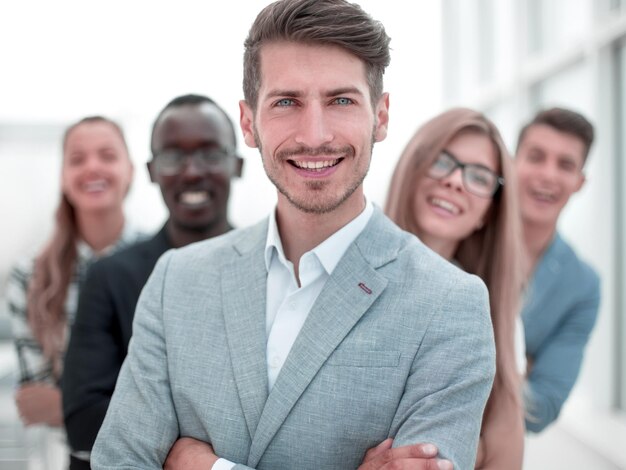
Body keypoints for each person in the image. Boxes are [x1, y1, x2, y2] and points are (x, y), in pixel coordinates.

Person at [92, 1, 496, 469]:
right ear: (248, 123)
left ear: (380, 116)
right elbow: (118, 462)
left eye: (341, 100)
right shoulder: (176, 281)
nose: (315, 134)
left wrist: (206, 466)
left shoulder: (450, 305)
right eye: (287, 102)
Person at [61, 94, 243, 470]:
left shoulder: (274, 270)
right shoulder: (110, 278)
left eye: (210, 153)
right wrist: (194, 456)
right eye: (174, 156)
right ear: (151, 170)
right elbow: (84, 420)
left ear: (237, 165)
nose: (192, 171)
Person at [385, 107, 525, 469]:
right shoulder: (344, 271)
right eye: (442, 161)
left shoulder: (495, 317)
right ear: (413, 167)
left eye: (479, 176)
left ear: (488, 212)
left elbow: (505, 456)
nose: (456, 181)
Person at [6, 116, 140, 427]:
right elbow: (35, 404)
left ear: (130, 171)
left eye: (107, 156)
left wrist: (69, 406)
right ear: (63, 178)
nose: (92, 167)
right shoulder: (29, 277)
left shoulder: (164, 261)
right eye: (77, 159)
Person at [515, 107, 600, 433]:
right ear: (513, 162)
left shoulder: (582, 286)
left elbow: (543, 408)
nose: (548, 175)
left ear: (579, 182)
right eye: (536, 157)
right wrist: (521, 368)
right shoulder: (464, 239)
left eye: (565, 165)